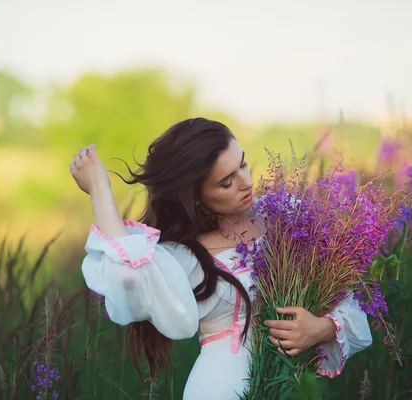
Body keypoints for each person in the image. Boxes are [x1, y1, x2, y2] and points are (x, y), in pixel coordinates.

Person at [70, 118, 373, 400]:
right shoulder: (183, 257)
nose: (246, 182)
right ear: (196, 197)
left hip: (291, 386)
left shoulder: (285, 215)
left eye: (242, 165)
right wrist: (99, 189)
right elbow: (127, 276)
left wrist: (321, 329)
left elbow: (348, 305)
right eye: (226, 182)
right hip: (221, 388)